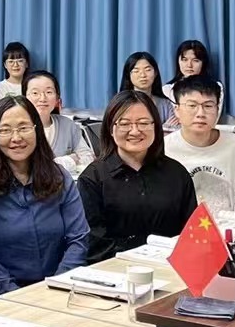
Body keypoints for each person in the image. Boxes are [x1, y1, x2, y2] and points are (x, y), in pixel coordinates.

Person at [0, 96, 89, 293]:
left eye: (23, 127)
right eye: (5, 130)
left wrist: (57, 287)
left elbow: (78, 239)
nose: (16, 137)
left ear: (36, 129)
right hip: (5, 294)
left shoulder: (59, 177)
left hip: (62, 288)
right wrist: (13, 293)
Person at [79, 90, 197, 260]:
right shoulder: (93, 178)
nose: (135, 131)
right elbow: (94, 243)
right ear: (110, 128)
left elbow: (191, 233)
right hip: (114, 268)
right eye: (125, 124)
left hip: (171, 266)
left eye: (143, 123)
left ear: (155, 126)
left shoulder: (177, 174)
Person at [164, 76, 235, 217]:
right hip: (180, 227)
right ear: (177, 110)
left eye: (208, 106)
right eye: (192, 106)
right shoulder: (164, 148)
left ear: (217, 109)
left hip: (229, 225)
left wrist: (230, 220)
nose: (200, 114)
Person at [22, 70, 95, 166]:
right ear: (24, 98)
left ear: (57, 98)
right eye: (35, 93)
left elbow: (89, 157)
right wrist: (69, 160)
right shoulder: (18, 127)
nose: (42, 98)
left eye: (49, 92)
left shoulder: (68, 125)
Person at [119, 51, 174, 125]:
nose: (143, 75)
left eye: (148, 70)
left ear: (155, 73)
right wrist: (164, 128)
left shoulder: (165, 104)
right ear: (128, 75)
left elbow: (174, 128)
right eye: (136, 71)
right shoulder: (120, 104)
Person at [0, 42, 30, 107]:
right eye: (11, 61)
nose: (15, 65)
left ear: (26, 64)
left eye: (20, 61)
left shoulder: (33, 86)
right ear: (5, 65)